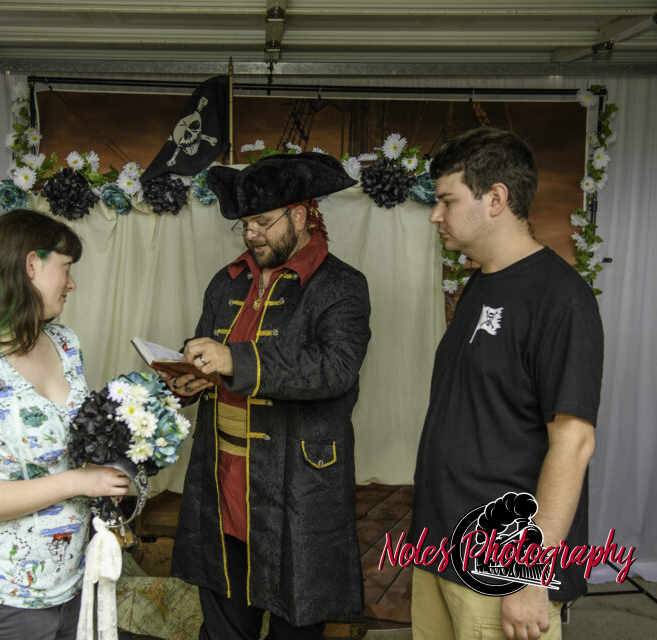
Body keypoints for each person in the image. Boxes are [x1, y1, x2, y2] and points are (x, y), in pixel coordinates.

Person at [162, 152, 371, 639]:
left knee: (295, 627)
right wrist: (190, 377)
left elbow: (335, 370)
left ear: (299, 215)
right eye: (245, 225)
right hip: (222, 483)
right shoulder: (227, 282)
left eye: (262, 222)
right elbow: (209, 353)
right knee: (222, 628)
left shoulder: (341, 285)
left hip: (297, 489)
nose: (251, 234)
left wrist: (234, 360)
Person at [408, 128, 604, 640]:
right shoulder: (482, 281)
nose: (435, 215)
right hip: (440, 548)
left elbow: (574, 442)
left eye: (447, 201)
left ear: (495, 198)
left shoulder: (561, 300)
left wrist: (530, 577)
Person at [0, 209, 130, 639]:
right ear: (31, 265)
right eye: (67, 268)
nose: (72, 284)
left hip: (70, 584)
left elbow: (73, 442)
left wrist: (110, 470)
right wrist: (81, 482)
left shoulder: (66, 343)